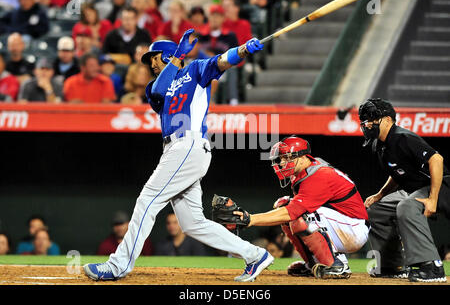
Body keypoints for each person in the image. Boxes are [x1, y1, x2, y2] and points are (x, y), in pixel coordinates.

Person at [83, 28, 273, 283]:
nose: (151, 63)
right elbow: (160, 91)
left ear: (169, 56)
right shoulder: (155, 88)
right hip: (175, 149)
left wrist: (242, 50)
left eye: (155, 57)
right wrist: (176, 58)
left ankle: (118, 265)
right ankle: (255, 255)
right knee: (193, 223)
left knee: (147, 201)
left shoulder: (195, 70)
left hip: (189, 144)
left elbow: (222, 61)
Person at [233, 136, 369, 279]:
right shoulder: (304, 171)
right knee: (286, 207)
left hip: (354, 227)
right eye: (281, 158)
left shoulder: (318, 175)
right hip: (340, 223)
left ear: (303, 158)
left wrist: (251, 219)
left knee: (300, 215)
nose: (283, 162)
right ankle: (314, 263)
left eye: (287, 157)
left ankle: (336, 265)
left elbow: (293, 212)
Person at [358, 98, 449, 283]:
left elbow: (436, 160)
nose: (368, 123)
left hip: (442, 187)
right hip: (415, 189)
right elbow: (397, 172)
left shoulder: (402, 137)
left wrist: (433, 198)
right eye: (365, 120)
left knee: (406, 206)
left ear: (388, 120)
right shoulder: (380, 144)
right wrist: (380, 195)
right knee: (376, 210)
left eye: (373, 118)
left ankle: (432, 266)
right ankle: (392, 265)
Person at [198, 4, 239, 105]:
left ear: (223, 18)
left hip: (223, 68)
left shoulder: (230, 36)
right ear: (208, 17)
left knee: (232, 69)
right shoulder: (200, 35)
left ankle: (233, 102)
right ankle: (208, 105)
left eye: (218, 16)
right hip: (204, 68)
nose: (215, 19)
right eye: (213, 15)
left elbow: (236, 56)